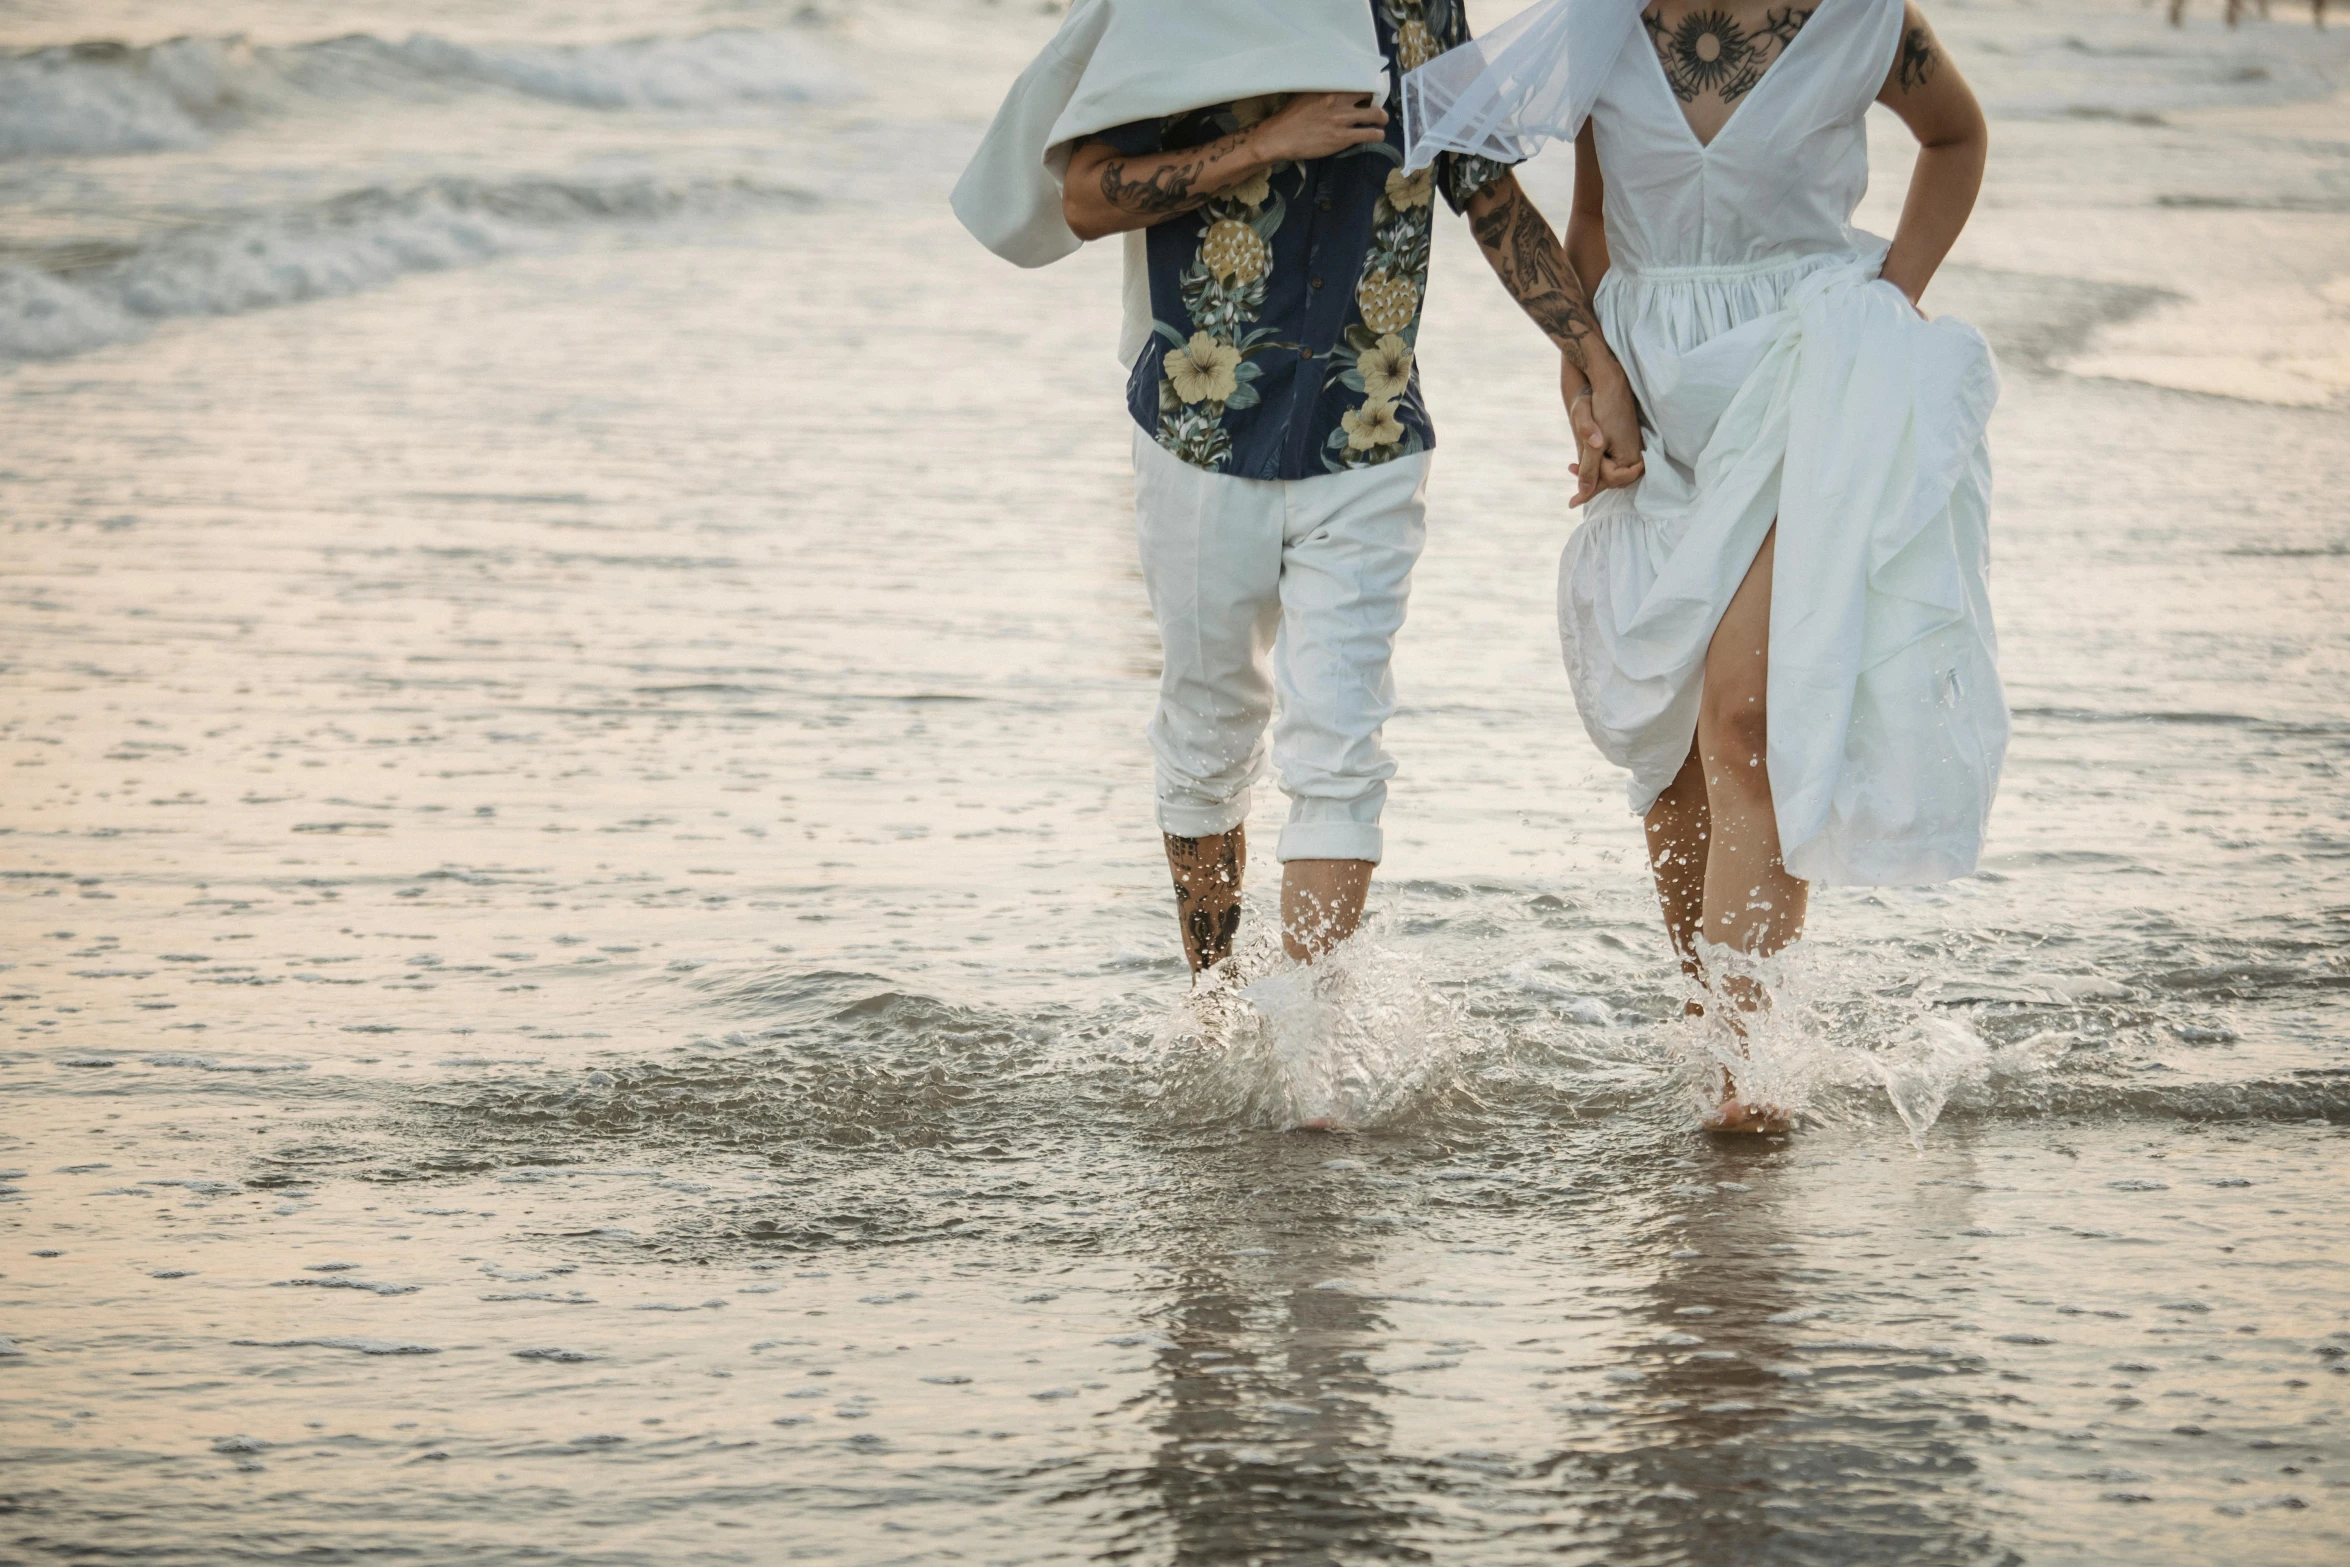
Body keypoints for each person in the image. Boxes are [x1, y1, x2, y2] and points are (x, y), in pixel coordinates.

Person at [1406, 0, 2008, 1132]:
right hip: (1654, 380)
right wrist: (1584, 383)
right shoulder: (1600, 23)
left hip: (1805, 375)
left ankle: (1747, 1068)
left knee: (1747, 720)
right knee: (1676, 743)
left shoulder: (1862, 17)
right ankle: (1710, 1018)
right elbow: (1588, 218)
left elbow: (1956, 138)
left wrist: (1889, 304)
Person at [962, 0, 1640, 976]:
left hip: (1370, 432)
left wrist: (1595, 366)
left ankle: (1307, 1054)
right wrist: (1268, 141)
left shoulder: (1421, 12)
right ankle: (1217, 1006)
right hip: (1198, 435)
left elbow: (1488, 197)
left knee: (1341, 749)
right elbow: (1085, 194)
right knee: (1206, 735)